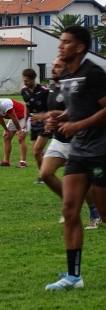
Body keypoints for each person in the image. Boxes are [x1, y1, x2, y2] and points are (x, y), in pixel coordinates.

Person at [45, 26, 106, 291]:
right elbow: (78, 108)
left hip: (102, 150)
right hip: (80, 152)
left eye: (66, 42)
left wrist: (78, 126)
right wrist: (62, 117)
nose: (61, 46)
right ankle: (74, 277)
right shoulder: (68, 74)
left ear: (80, 47)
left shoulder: (93, 73)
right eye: (61, 42)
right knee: (70, 210)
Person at [40, 57, 101, 229]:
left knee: (83, 183)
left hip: (79, 141)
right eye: (53, 65)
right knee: (45, 173)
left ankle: (94, 213)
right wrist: (51, 121)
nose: (53, 69)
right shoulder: (52, 88)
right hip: (59, 140)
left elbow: (79, 111)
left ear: (67, 68)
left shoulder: (78, 86)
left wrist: (59, 117)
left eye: (58, 66)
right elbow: (55, 114)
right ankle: (72, 203)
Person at [21, 68, 51, 184]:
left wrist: (43, 117)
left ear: (33, 79)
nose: (25, 83)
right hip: (34, 123)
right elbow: (27, 106)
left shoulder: (44, 91)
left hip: (46, 122)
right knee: (35, 152)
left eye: (27, 80)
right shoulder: (24, 91)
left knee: (37, 150)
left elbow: (52, 108)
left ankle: (44, 177)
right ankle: (42, 174)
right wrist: (25, 121)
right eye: (23, 80)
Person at [0, 97, 29, 168]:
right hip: (14, 118)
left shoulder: (6, 104)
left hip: (23, 117)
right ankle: (6, 161)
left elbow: (13, 116)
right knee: (6, 137)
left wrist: (19, 130)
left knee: (21, 137)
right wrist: (6, 130)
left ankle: (23, 162)